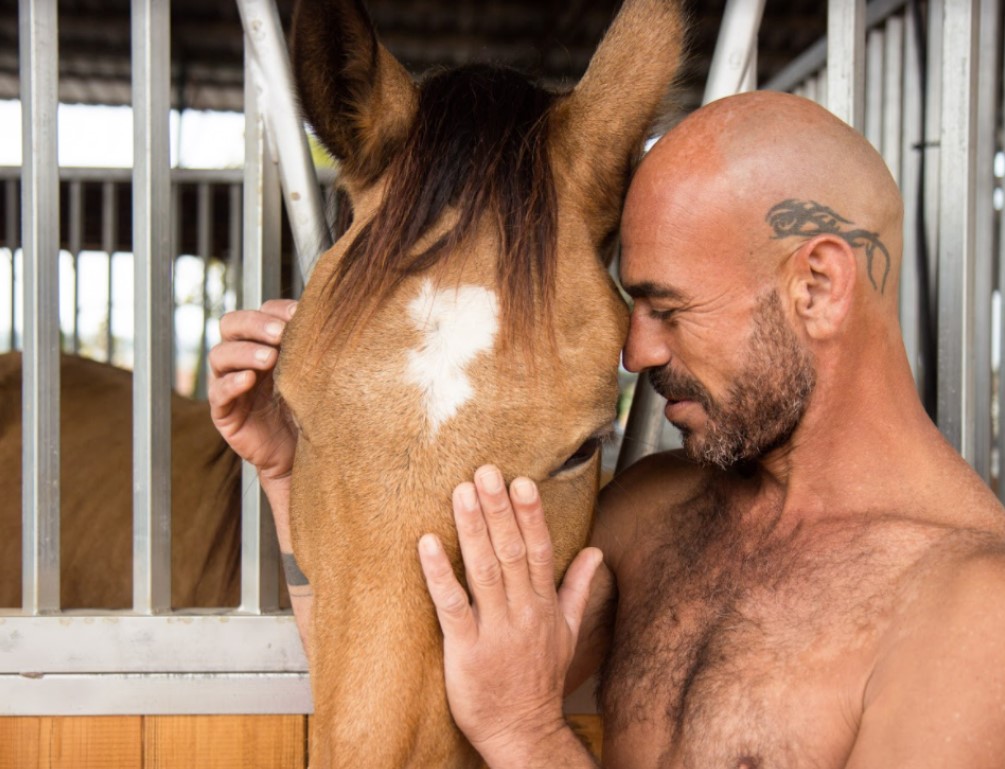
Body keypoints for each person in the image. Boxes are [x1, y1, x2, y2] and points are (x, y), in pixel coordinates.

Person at [209, 91, 1005, 768]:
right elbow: (406, 692)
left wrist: (529, 737)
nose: (636, 351)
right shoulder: (651, 514)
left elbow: (507, 717)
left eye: (667, 307)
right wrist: (287, 469)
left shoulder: (974, 615)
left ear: (818, 288)